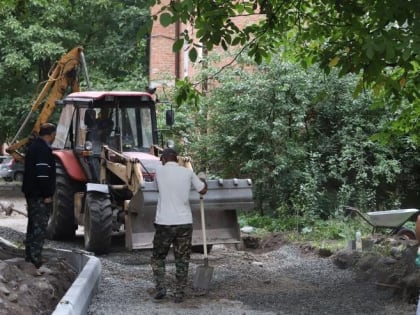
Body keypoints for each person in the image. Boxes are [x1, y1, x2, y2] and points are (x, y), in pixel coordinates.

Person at [151, 148, 208, 303]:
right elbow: (203, 190)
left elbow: (157, 189)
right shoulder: (187, 173)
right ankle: (179, 293)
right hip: (184, 223)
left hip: (164, 223)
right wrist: (203, 179)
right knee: (182, 259)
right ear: (176, 159)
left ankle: (161, 288)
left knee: (158, 257)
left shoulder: (159, 171)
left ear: (163, 159)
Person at [22, 123, 57, 268]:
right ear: (51, 134)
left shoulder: (34, 147)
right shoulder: (42, 150)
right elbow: (42, 175)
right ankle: (35, 259)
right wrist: (47, 194)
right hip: (39, 195)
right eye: (54, 134)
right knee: (39, 227)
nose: (55, 137)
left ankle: (30, 257)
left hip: (32, 193)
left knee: (32, 225)